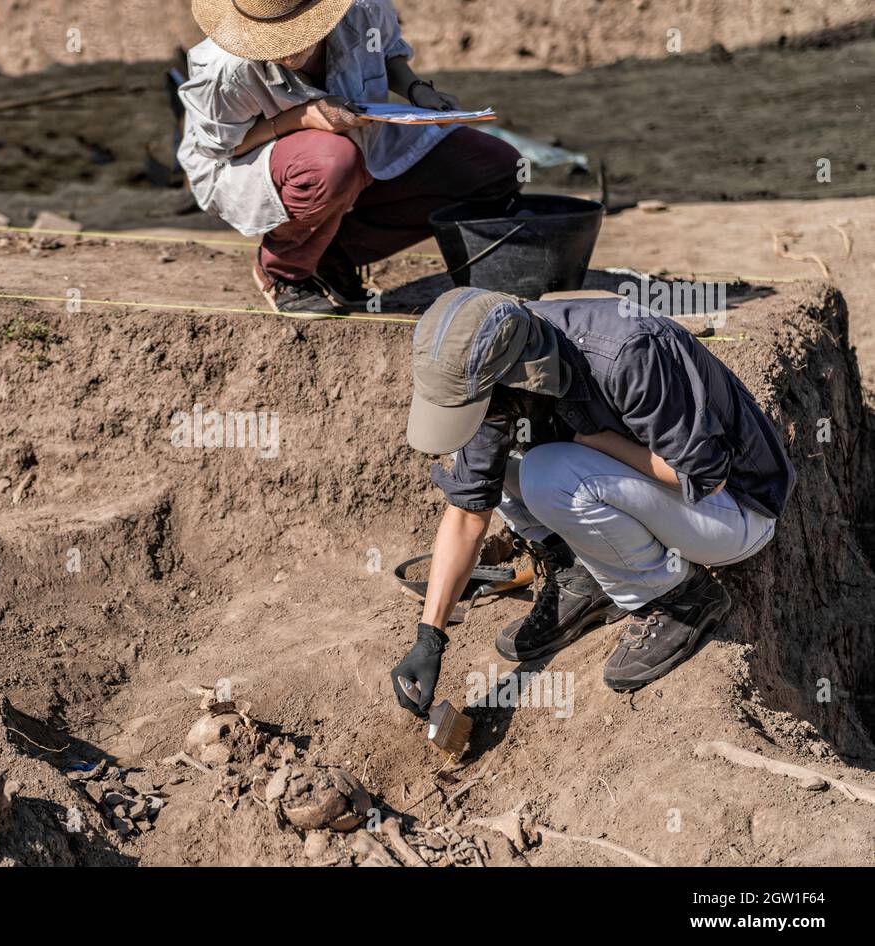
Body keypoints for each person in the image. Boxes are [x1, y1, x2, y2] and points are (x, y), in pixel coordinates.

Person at [390, 287, 796, 716]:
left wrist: (600, 443)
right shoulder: (502, 372)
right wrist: (429, 637)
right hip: (656, 495)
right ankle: (582, 574)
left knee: (547, 474)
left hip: (735, 511)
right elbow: (468, 511)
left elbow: (705, 477)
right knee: (483, 458)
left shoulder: (626, 355)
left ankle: (678, 598)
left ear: (512, 373)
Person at [178, 0, 522, 315]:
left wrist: (418, 91)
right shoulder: (226, 68)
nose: (286, 54)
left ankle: (333, 254)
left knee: (494, 167)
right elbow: (224, 147)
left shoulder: (362, 11)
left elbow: (388, 54)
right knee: (332, 162)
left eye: (295, 36)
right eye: (272, 44)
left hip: (362, 140)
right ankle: (284, 269)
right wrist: (301, 118)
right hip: (252, 161)